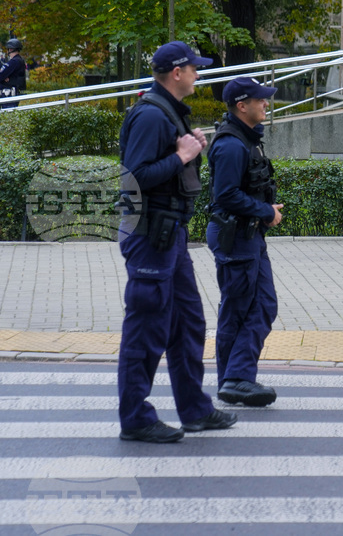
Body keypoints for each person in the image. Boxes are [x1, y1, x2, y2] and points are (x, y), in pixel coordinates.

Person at [117, 40, 236, 443]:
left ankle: (195, 410)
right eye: (195, 69)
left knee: (187, 323)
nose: (199, 75)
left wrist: (190, 148)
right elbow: (135, 177)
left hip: (170, 236)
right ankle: (135, 417)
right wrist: (183, 156)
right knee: (147, 327)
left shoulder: (167, 112)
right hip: (151, 235)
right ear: (177, 73)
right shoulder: (151, 115)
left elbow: (166, 166)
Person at [206, 77, 284, 407]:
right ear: (242, 105)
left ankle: (233, 379)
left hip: (247, 235)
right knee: (239, 311)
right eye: (260, 99)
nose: (266, 104)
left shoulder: (245, 139)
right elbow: (225, 195)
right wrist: (265, 210)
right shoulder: (231, 145)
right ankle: (236, 380)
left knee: (261, 305)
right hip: (237, 237)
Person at [0, 38, 26, 109]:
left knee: (7, 112)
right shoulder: (19, 60)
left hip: (10, 93)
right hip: (14, 91)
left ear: (11, 49)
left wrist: (3, 76)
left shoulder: (14, 62)